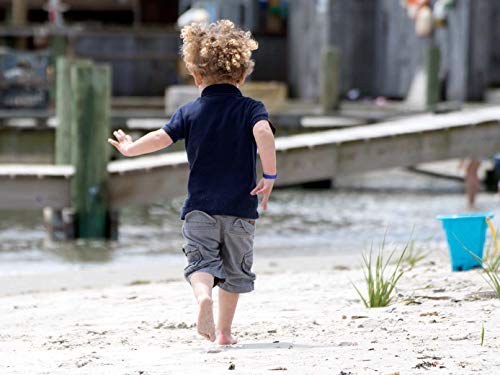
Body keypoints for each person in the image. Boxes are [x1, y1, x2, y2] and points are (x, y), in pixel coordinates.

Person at [108, 20, 277, 345]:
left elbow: (161, 137)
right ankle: (224, 332)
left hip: (200, 208)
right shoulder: (251, 108)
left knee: (200, 260)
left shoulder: (190, 111)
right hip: (240, 210)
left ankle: (202, 298)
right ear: (243, 75)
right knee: (234, 271)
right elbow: (263, 133)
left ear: (197, 76)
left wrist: (130, 149)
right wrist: (268, 175)